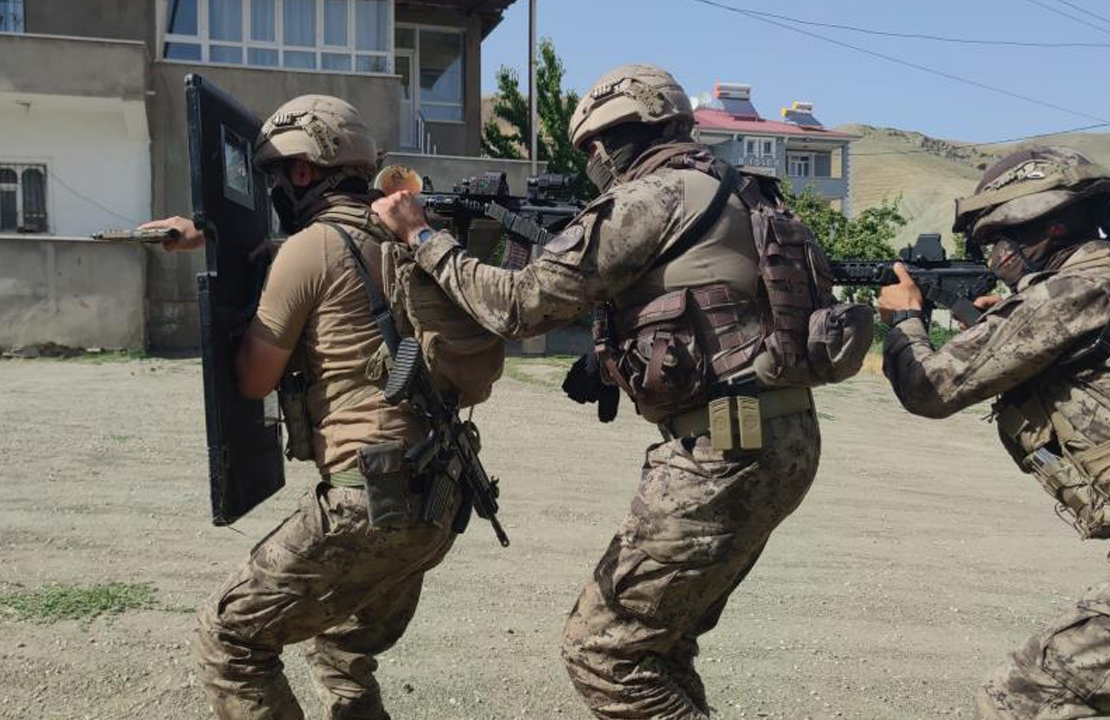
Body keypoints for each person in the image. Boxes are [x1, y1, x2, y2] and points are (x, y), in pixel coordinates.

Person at [373, 63, 824, 719]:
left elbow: (521, 306)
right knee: (657, 647)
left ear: (619, 136)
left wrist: (420, 236)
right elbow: (718, 311)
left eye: (594, 147)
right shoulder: (743, 192)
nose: (592, 161)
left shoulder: (653, 197)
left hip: (724, 451)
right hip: (779, 436)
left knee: (604, 653)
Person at [142, 95, 458, 720]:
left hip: (368, 499)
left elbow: (254, 380)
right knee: (341, 648)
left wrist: (244, 298)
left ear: (305, 172)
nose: (273, 191)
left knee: (228, 637)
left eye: (274, 177)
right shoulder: (403, 236)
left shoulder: (310, 248)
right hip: (437, 497)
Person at [878, 146, 1110, 719]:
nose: (994, 253)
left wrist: (905, 320)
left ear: (1049, 226)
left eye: (998, 237)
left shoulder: (1069, 292)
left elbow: (930, 390)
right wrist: (999, 323)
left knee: (1022, 697)